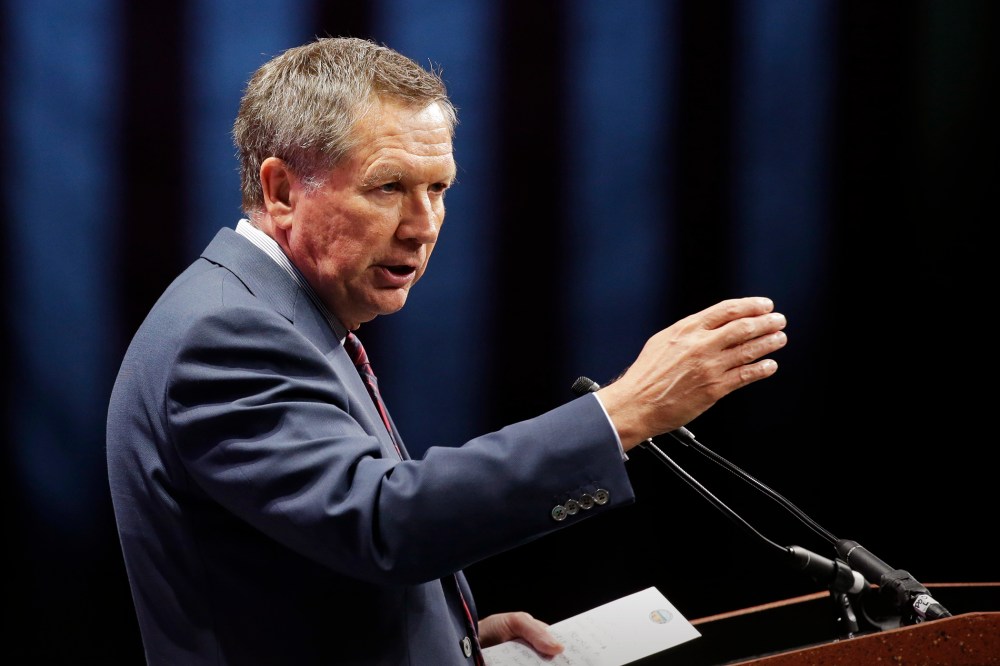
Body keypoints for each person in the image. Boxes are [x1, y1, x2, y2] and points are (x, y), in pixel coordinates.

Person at [106, 36, 788, 666]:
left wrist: (447, 635)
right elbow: (381, 521)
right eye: (389, 188)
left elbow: (312, 557)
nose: (423, 227)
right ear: (283, 189)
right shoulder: (226, 335)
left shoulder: (277, 316)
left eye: (438, 189)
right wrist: (625, 411)